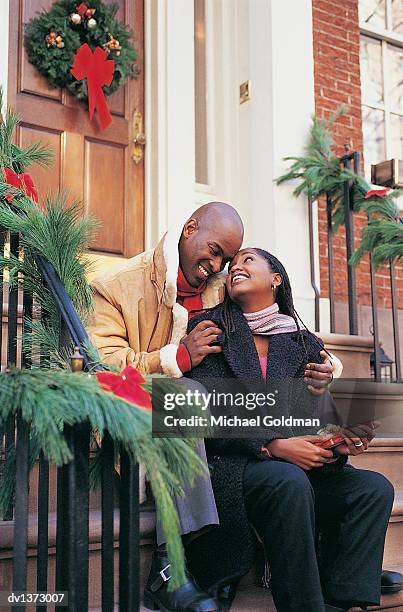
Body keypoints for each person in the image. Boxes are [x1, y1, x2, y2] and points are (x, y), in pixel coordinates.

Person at [87, 206, 336, 612]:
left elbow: (277, 326)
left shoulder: (221, 285)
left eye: (226, 258)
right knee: (184, 391)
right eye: (215, 251)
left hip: (216, 419)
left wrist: (326, 366)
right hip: (134, 406)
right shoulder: (117, 285)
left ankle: (329, 566)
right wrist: (176, 357)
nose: (217, 265)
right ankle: (171, 568)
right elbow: (103, 366)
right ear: (189, 229)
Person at [185, 248, 394, 612]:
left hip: (289, 471)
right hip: (235, 466)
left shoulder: (302, 341)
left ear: (276, 279)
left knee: (372, 487)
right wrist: (271, 444)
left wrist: (336, 441)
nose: (237, 267)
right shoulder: (209, 329)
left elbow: (308, 416)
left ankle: (340, 597)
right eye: (233, 265)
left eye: (249, 260)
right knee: (287, 480)